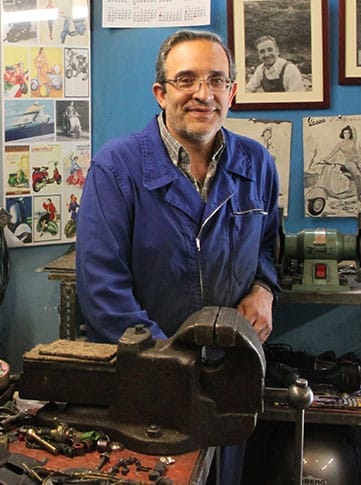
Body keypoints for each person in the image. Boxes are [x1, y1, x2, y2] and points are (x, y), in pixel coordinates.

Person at [76, 30, 281, 485]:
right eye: (186, 80)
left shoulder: (257, 165)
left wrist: (264, 289)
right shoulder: (116, 168)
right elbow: (102, 291)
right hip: (146, 384)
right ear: (161, 92)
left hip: (231, 375)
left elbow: (269, 245)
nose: (203, 94)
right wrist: (172, 366)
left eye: (216, 80)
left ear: (232, 92)